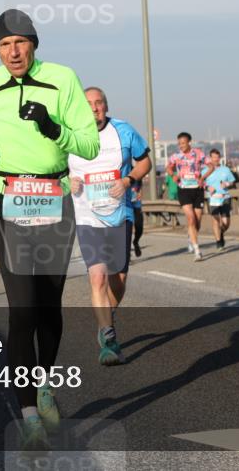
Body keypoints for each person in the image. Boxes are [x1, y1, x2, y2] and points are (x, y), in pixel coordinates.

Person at [0, 8, 99, 450]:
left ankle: (41, 382)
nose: (13, 52)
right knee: (21, 308)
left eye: (20, 43)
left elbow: (89, 144)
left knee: (48, 307)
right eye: (4, 45)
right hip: (8, 199)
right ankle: (30, 415)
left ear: (33, 44)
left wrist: (52, 127)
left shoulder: (62, 79)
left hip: (54, 199)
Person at [68, 87, 151, 366]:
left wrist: (128, 181)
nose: (94, 108)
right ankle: (108, 337)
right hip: (86, 215)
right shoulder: (69, 133)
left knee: (119, 279)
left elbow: (145, 161)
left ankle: (107, 317)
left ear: (106, 105)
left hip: (120, 214)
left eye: (99, 103)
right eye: (88, 103)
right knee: (98, 277)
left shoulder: (123, 130)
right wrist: (68, 179)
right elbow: (54, 169)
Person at [166, 132, 207, 260]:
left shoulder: (198, 153)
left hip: (197, 189)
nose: (181, 146)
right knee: (190, 219)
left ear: (189, 142)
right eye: (179, 143)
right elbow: (168, 167)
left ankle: (191, 236)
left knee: (197, 221)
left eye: (183, 143)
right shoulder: (176, 156)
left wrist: (203, 178)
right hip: (183, 189)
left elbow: (210, 166)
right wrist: (173, 175)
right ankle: (197, 250)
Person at [202, 149, 237, 250]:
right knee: (215, 220)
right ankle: (218, 241)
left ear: (219, 158)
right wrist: (207, 188)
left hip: (225, 197)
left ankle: (221, 233)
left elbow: (232, 182)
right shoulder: (205, 170)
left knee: (226, 223)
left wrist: (227, 184)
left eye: (217, 157)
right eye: (213, 157)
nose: (215, 159)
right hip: (212, 198)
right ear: (210, 158)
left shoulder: (225, 169)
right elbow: (200, 182)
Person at [130, 178, 144, 257]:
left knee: (139, 228)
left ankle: (135, 242)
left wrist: (140, 193)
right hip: (125, 205)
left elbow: (140, 188)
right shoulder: (121, 172)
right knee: (127, 229)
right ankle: (127, 254)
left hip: (136, 205)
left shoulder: (136, 175)